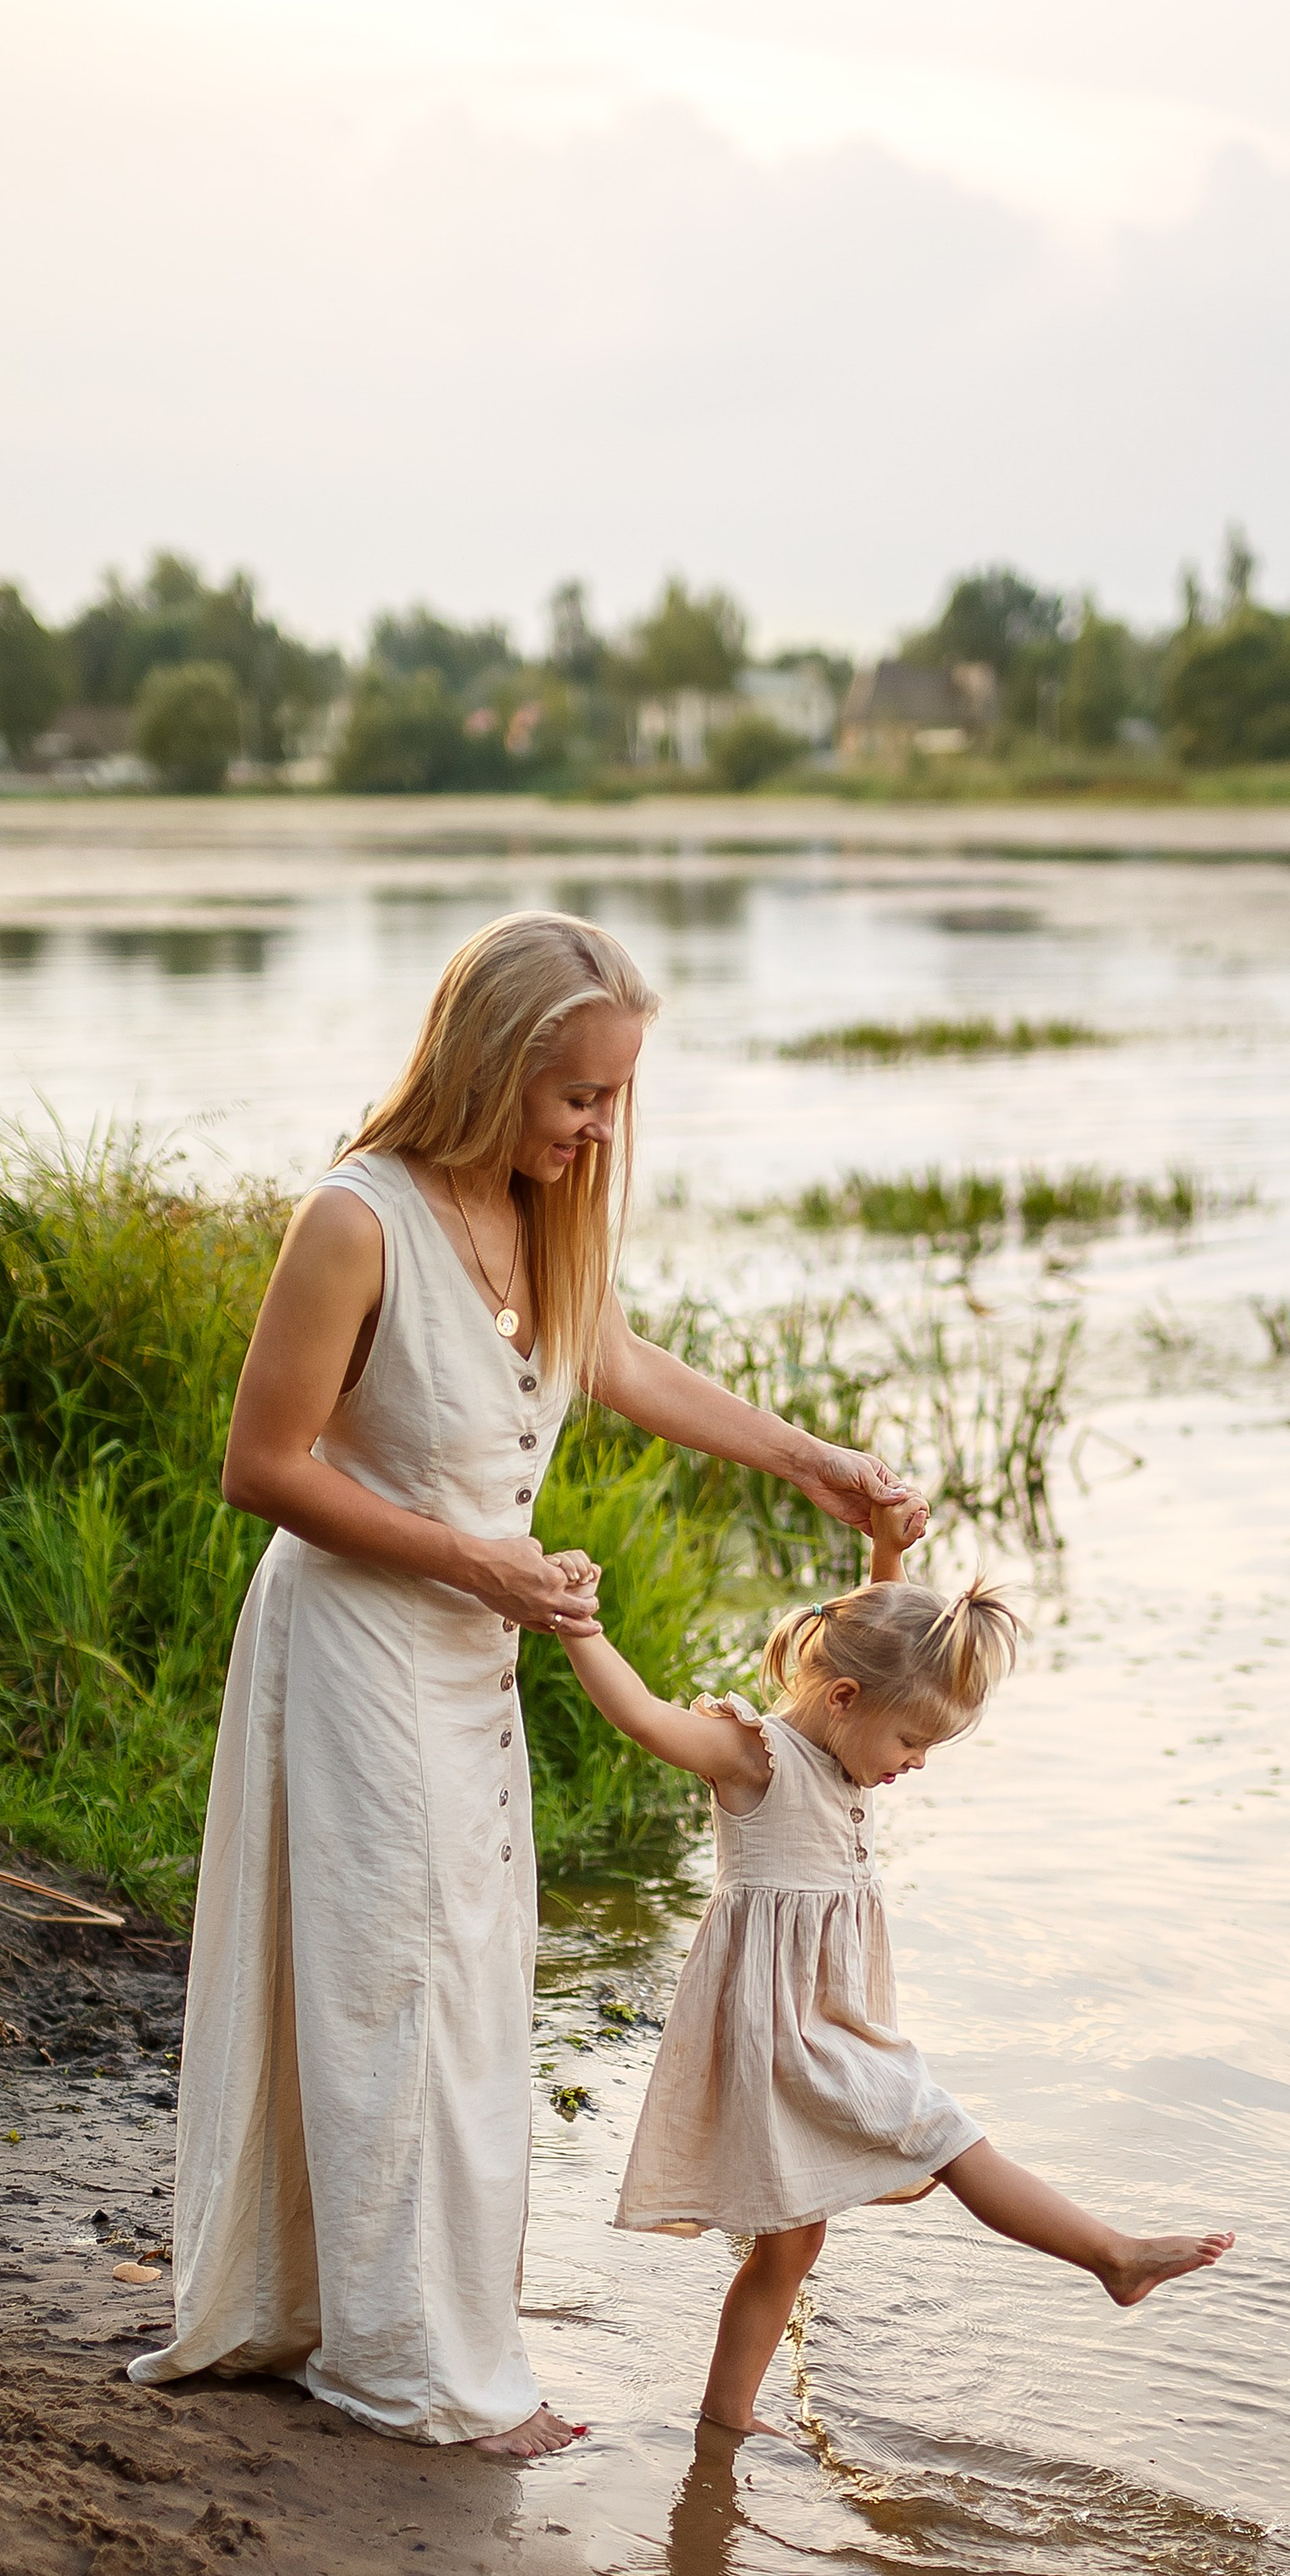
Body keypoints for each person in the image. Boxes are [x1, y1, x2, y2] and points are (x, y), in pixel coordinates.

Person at [130, 911, 923, 2459]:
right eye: (578, 1096)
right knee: (399, 1988)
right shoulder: (355, 1222)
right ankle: (408, 2371)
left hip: (468, 1652)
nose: (601, 1126)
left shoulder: (540, 1208)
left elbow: (616, 1361)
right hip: (358, 1644)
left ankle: (376, 2320)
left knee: (469, 1987)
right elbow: (260, 1467)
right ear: (492, 1067)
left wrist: (812, 1460)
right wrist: (479, 1561)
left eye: (618, 1095)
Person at [562, 1500, 1235, 2438]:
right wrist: (578, 1623)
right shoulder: (755, 1758)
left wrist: (885, 1550)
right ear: (843, 1702)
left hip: (830, 2025)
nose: (915, 1764)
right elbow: (639, 1717)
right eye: (913, 1743)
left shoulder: (849, 1739)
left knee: (793, 2244)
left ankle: (725, 2418)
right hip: (787, 2034)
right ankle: (1110, 2256)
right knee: (945, 2135)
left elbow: (876, 1626)